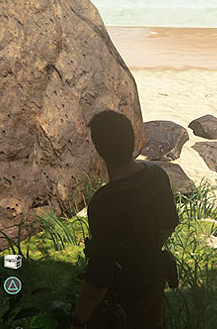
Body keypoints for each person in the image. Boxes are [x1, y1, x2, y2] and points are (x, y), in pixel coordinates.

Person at [71, 110, 179, 328]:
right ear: (131, 139)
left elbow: (99, 276)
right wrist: (145, 250)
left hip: (122, 297)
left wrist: (78, 319)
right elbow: (169, 224)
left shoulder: (104, 202)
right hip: (153, 280)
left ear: (99, 149)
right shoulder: (157, 175)